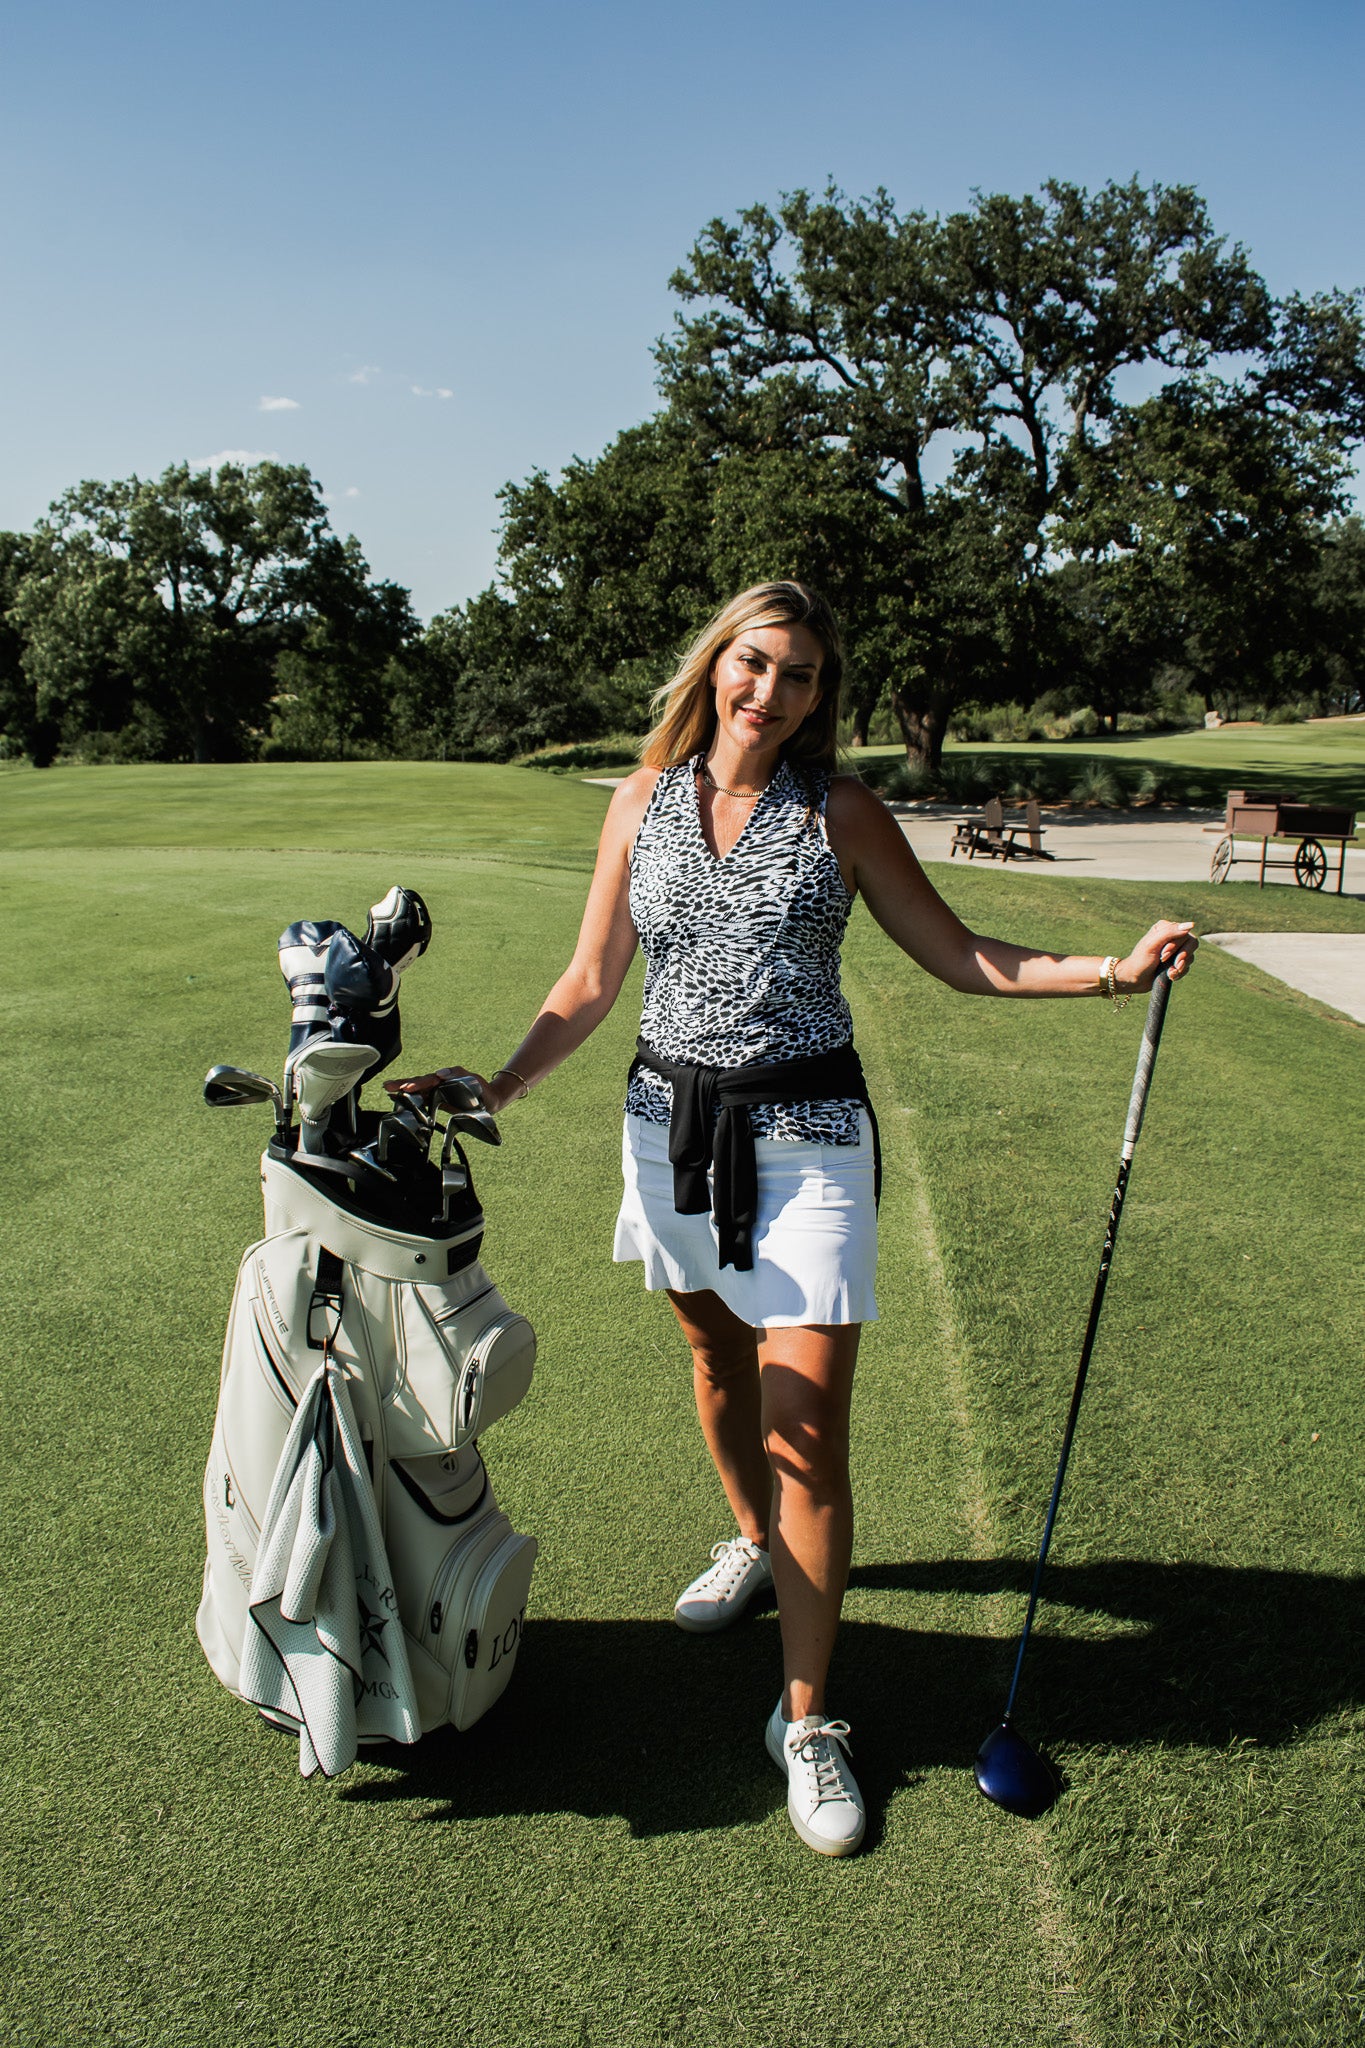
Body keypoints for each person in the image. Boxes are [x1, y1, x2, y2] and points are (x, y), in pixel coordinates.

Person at [389, 580, 1197, 1857]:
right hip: (668, 1130)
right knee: (713, 1358)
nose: (774, 690)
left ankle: (808, 1717)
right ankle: (757, 1542)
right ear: (716, 665)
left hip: (811, 1137)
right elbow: (595, 977)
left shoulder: (842, 813)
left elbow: (959, 950)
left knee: (806, 1428)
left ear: (824, 694)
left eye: (804, 673)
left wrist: (1111, 969)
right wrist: (499, 1080)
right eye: (756, 662)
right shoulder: (640, 802)